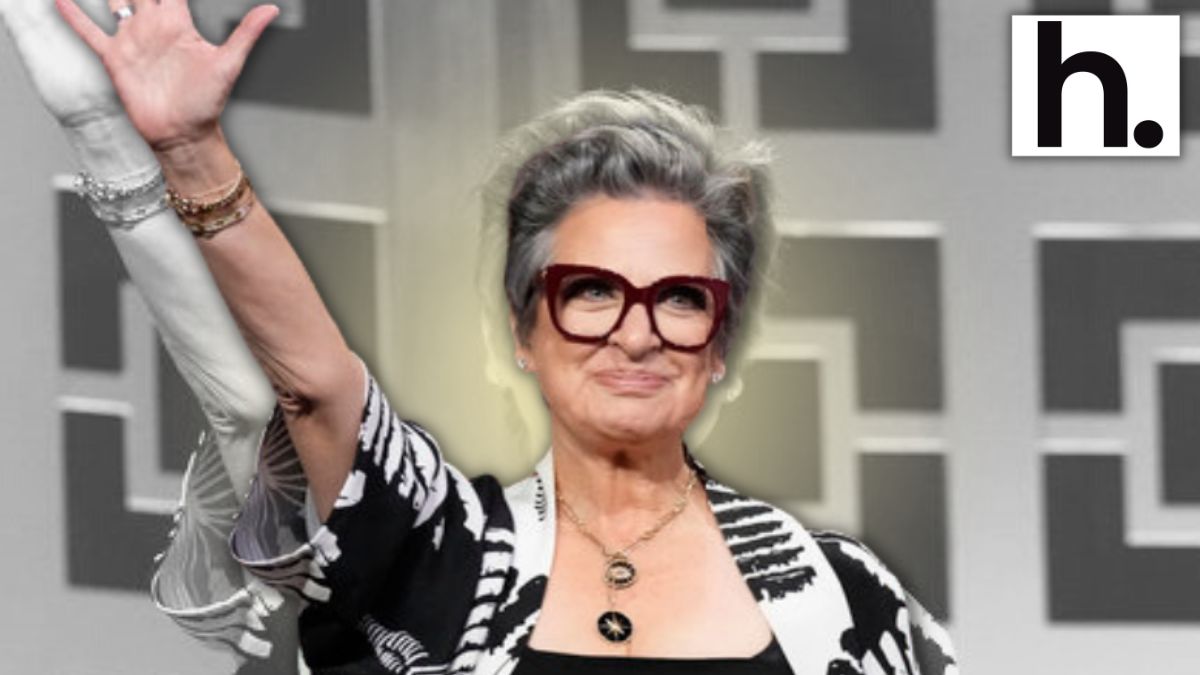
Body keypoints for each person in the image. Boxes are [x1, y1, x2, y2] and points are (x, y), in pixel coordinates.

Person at [3, 1, 958, 673]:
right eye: (591, 291)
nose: (636, 334)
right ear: (523, 327)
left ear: (718, 340)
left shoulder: (840, 598)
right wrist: (184, 149)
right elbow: (312, 388)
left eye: (679, 299)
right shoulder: (438, 552)